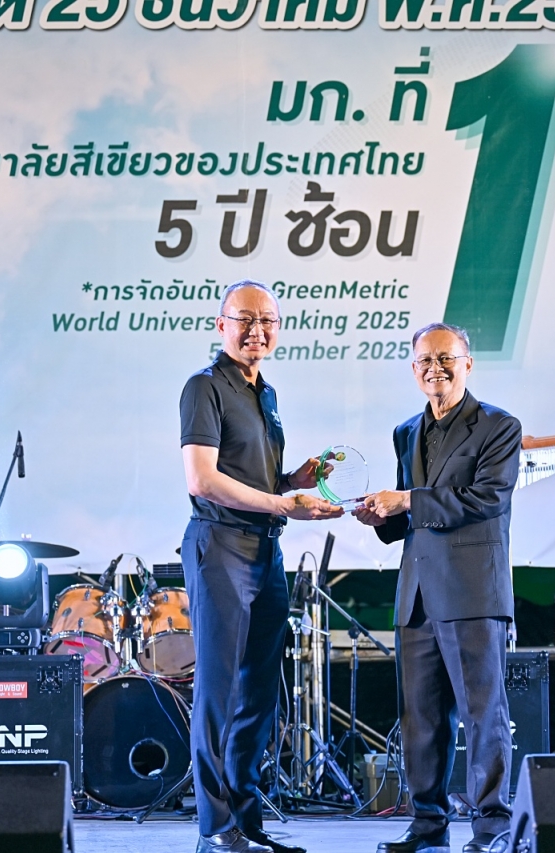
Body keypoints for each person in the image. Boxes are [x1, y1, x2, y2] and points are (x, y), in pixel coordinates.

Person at [180, 280, 342, 853]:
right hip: (221, 548)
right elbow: (202, 480)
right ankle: (215, 827)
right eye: (245, 319)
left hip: (265, 551)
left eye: (268, 320)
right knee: (219, 694)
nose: (257, 331)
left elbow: (255, 479)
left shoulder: (264, 392)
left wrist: (294, 481)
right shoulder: (205, 387)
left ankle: (246, 822)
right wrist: (282, 502)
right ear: (220, 325)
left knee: (257, 696)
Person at [354, 323, 521, 853]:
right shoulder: (406, 431)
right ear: (413, 370)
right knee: (421, 720)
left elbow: (486, 499)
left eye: (446, 358)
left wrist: (406, 500)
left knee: (482, 715)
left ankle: (493, 826)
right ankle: (427, 826)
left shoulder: (499, 426)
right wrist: (381, 518)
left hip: (472, 593)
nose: (435, 368)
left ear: (467, 364)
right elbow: (412, 518)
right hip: (418, 596)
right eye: (425, 360)